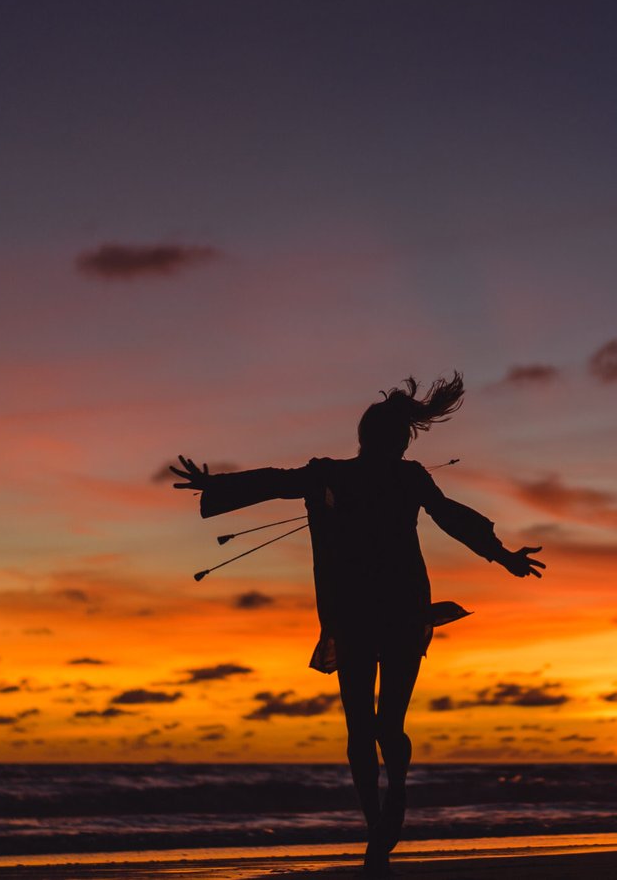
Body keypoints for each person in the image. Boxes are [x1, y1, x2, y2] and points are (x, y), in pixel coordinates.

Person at [170, 372, 544, 875]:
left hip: (361, 612)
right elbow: (450, 517)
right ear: (399, 438)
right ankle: (385, 819)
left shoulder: (339, 475)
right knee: (385, 724)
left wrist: (215, 485)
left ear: (365, 436)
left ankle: (379, 821)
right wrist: (502, 556)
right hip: (397, 609)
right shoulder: (397, 477)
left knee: (364, 727)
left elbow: (275, 481)